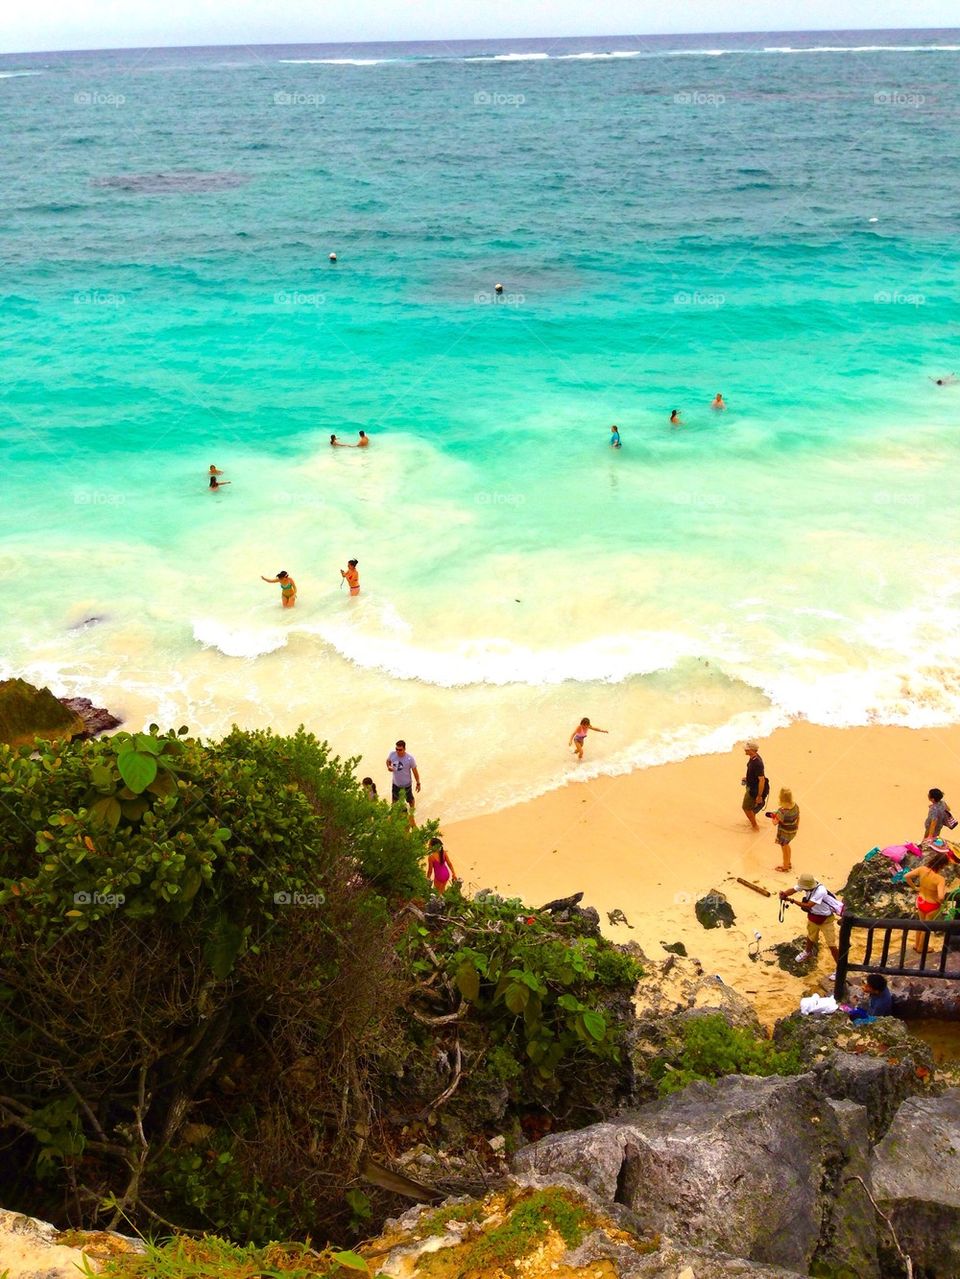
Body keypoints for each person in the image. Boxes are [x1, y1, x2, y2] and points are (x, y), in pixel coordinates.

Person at [779, 873, 842, 971]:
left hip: (826, 920)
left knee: (832, 945)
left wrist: (792, 900)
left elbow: (808, 905)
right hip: (813, 917)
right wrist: (785, 894)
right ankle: (807, 952)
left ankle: (840, 968)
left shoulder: (820, 891)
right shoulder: (807, 883)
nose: (803, 889)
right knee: (810, 936)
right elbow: (793, 890)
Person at [904, 849, 949, 952]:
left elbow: (906, 876)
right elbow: (941, 896)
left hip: (921, 900)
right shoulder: (939, 879)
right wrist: (941, 903)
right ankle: (921, 948)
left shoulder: (922, 869)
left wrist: (915, 887)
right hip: (931, 905)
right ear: (942, 865)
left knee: (921, 923)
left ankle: (916, 945)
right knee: (926, 927)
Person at [770, 786, 799, 872]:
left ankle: (785, 866)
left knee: (784, 848)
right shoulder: (795, 806)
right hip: (793, 831)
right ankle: (788, 862)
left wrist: (774, 817)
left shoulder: (781, 812)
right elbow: (798, 816)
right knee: (787, 846)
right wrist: (796, 826)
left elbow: (775, 823)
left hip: (784, 833)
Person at [741, 739, 768, 831]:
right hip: (751, 785)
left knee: (746, 808)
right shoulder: (753, 758)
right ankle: (753, 820)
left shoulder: (757, 763)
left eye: (747, 749)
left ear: (752, 750)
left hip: (754, 789)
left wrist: (759, 795)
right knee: (750, 807)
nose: (745, 750)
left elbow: (762, 780)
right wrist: (747, 778)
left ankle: (755, 826)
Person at [386, 739, 420, 809]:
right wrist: (389, 767)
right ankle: (394, 815)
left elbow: (415, 771)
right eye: (396, 749)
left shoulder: (410, 759)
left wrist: (418, 783)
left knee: (410, 800)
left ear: (405, 749)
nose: (398, 751)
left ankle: (411, 813)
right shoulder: (392, 754)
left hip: (407, 784)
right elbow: (388, 761)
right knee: (394, 801)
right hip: (396, 784)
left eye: (400, 750)